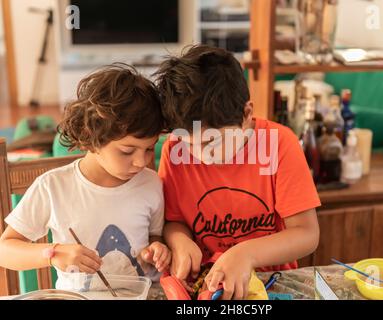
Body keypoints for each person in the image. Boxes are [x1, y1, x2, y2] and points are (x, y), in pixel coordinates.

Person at [155, 45, 321, 300]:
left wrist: (245, 254)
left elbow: (307, 235)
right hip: (205, 286)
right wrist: (180, 241)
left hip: (269, 284)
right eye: (190, 145)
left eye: (212, 142)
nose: (200, 155)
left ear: (246, 114)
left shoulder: (279, 145)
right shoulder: (174, 150)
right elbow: (173, 220)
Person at [0, 64, 170, 290]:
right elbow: (6, 251)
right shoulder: (54, 186)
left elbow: (155, 237)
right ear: (92, 137)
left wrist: (157, 250)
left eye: (149, 149)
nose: (141, 162)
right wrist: (52, 253)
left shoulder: (151, 183)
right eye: (127, 151)